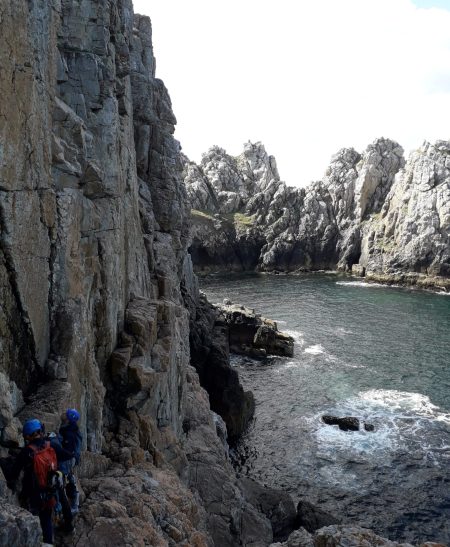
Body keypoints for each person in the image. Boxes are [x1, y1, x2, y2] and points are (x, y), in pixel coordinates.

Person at [9, 418, 74, 545]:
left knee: (42, 517)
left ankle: (44, 541)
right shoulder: (51, 445)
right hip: (52, 486)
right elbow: (66, 454)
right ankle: (67, 527)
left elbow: (14, 472)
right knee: (56, 506)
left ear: (27, 436)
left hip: (35, 492)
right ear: (40, 431)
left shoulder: (27, 452)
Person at [58, 408, 82, 515]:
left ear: (69, 419)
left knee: (64, 481)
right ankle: (74, 505)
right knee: (70, 479)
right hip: (69, 459)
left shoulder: (69, 432)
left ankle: (70, 506)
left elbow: (66, 448)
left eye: (66, 414)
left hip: (66, 459)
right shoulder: (71, 429)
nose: (63, 414)